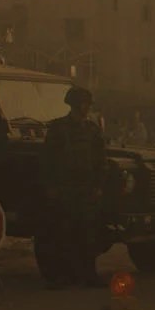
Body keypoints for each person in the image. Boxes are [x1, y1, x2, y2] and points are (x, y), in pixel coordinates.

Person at [39, 86, 109, 289]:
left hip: (86, 188)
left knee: (88, 233)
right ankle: (64, 276)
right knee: (64, 233)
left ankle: (89, 274)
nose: (87, 108)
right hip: (64, 189)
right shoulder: (59, 129)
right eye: (84, 104)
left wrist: (98, 185)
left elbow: (100, 160)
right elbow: (48, 160)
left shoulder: (92, 130)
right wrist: (51, 186)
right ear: (76, 105)